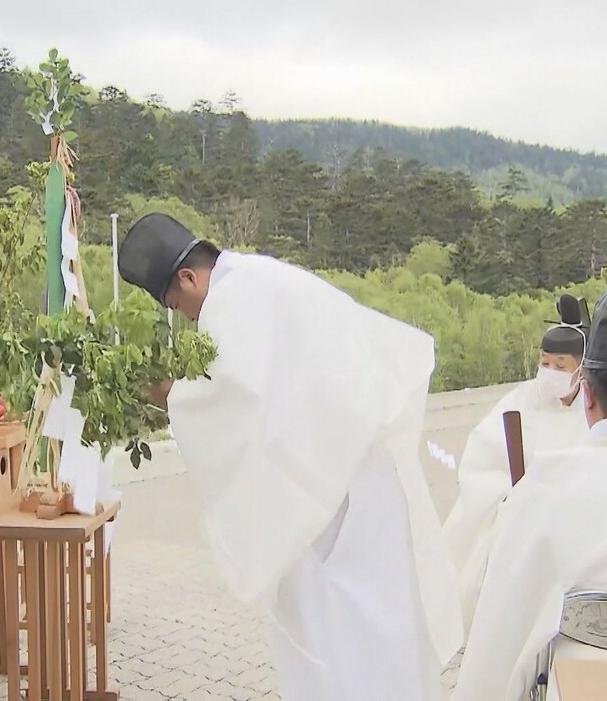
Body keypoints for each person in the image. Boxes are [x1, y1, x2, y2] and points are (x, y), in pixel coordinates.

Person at [118, 213, 462, 701]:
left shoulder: (233, 299)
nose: (189, 317)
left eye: (181, 305)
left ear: (188, 277)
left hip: (340, 486)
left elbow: (234, 397)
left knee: (341, 628)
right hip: (353, 471)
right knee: (373, 623)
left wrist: (168, 394)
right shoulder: (258, 278)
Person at [452, 306, 607, 701]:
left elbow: (497, 651)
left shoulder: (545, 495)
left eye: (561, 364)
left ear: (586, 390)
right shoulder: (520, 403)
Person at [442, 295, 590, 634]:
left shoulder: (594, 405)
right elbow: (483, 459)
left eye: (561, 366)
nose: (550, 373)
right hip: (523, 513)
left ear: (580, 367)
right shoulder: (522, 400)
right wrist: (511, 493)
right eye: (545, 363)